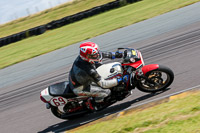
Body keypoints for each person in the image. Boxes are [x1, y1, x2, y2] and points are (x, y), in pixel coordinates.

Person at [68, 42, 125, 110]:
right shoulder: (89, 69)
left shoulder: (84, 58)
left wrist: (117, 55)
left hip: (80, 78)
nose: (97, 55)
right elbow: (103, 84)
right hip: (80, 87)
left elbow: (102, 54)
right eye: (94, 55)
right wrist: (119, 80)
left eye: (96, 53)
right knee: (106, 92)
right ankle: (95, 102)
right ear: (88, 56)